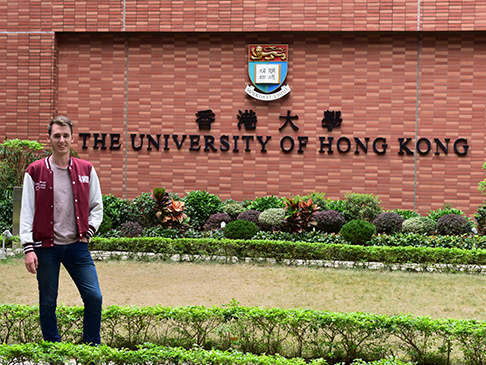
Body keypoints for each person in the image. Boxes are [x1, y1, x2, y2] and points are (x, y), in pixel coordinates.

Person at [20, 115, 103, 347]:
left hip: (77, 247)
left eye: (66, 135)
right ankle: (53, 351)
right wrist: (28, 248)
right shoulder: (35, 171)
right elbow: (26, 211)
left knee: (94, 298)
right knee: (47, 302)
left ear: (72, 138)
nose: (62, 140)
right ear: (49, 139)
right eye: (57, 136)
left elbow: (97, 205)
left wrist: (90, 231)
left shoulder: (86, 169)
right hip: (46, 248)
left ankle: (91, 349)